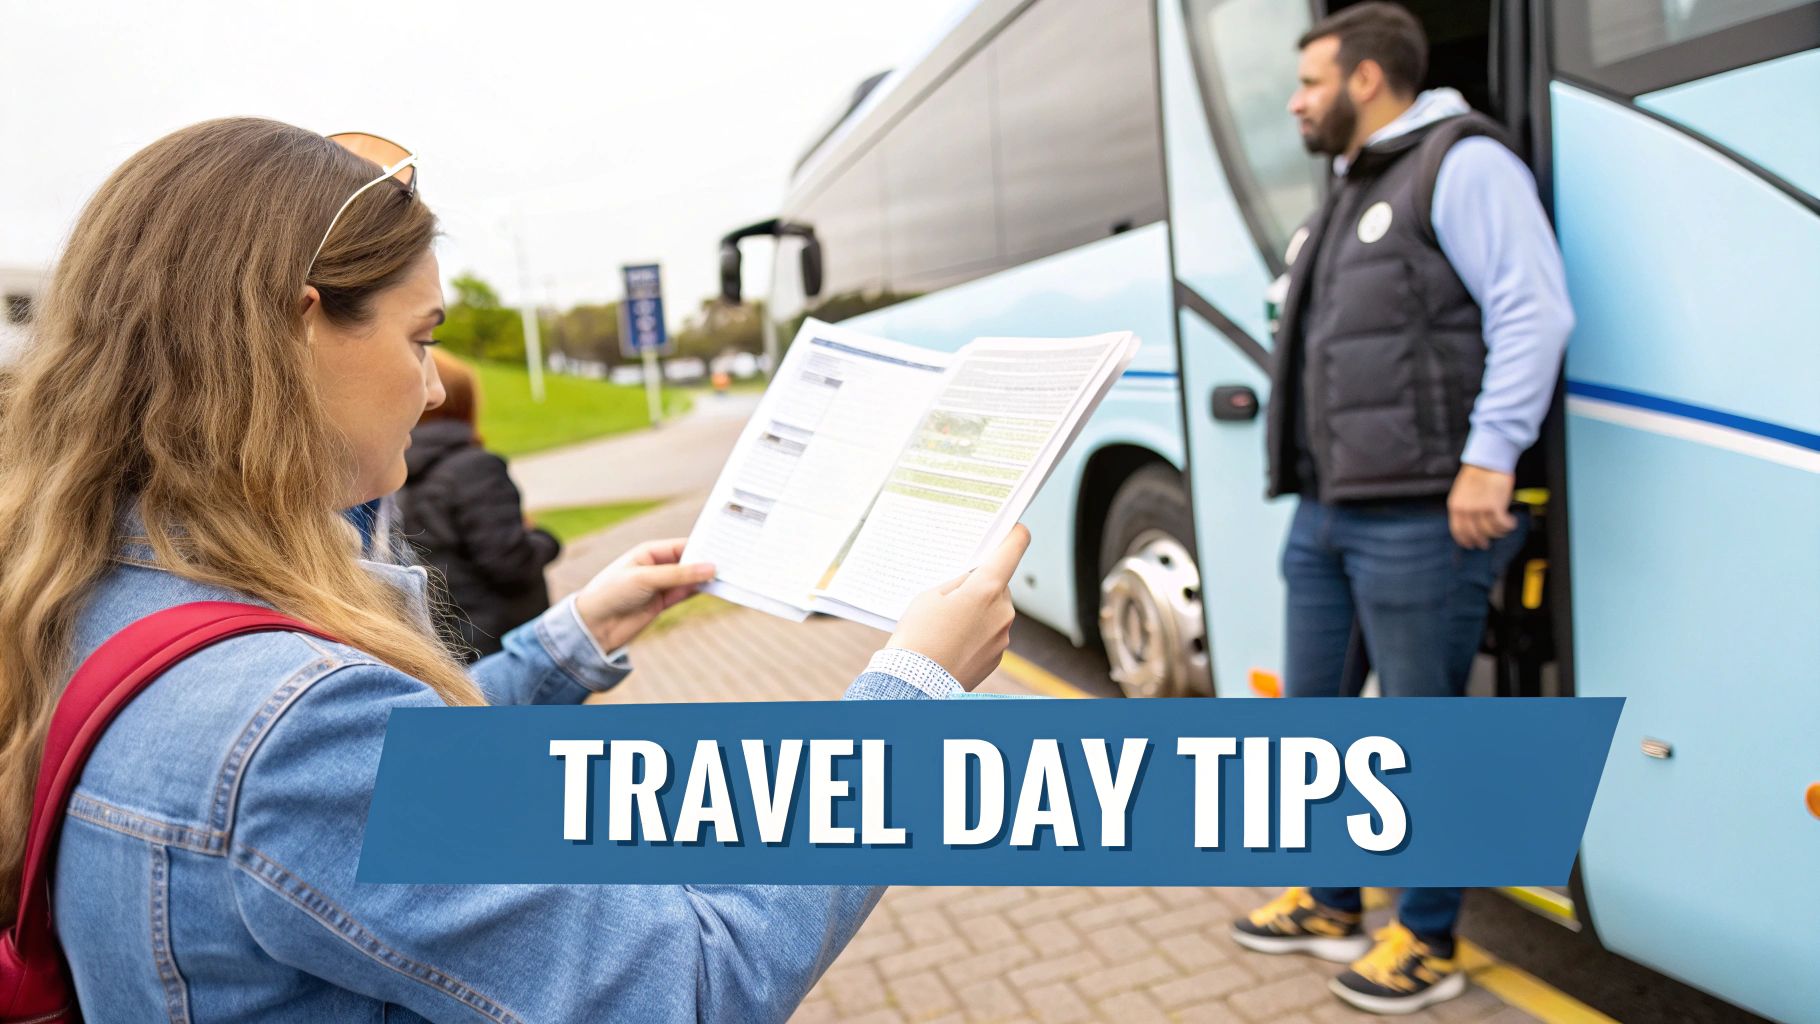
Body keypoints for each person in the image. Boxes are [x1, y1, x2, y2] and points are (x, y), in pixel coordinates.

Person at [0, 117, 1028, 1022]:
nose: (427, 382)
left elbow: (358, 793)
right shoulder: (287, 727)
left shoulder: (90, 591)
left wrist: (568, 640)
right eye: (421, 336)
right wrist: (913, 693)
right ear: (295, 332)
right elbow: (689, 987)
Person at [1234, 3, 1574, 1015]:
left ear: (1367, 78)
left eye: (1307, 83)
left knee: (1422, 734)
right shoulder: (1347, 188)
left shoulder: (1461, 163)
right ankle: (1332, 897)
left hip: (1424, 514)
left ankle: (1426, 938)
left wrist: (1486, 458)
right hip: (1328, 511)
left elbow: (1531, 308)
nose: (1294, 103)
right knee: (1318, 722)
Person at [398, 349, 561, 659]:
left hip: (452, 644)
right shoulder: (475, 469)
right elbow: (511, 563)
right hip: (507, 645)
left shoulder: (400, 471)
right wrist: (547, 540)